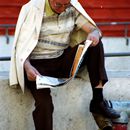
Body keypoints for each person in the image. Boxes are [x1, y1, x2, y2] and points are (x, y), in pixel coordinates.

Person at [9, 0, 120, 129]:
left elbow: (92, 28)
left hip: (60, 59)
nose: (62, 8)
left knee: (95, 45)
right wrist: (27, 67)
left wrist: (94, 33)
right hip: (36, 66)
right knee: (45, 104)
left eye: (65, 5)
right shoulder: (33, 9)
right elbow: (22, 46)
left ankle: (97, 101)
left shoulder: (71, 7)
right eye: (58, 5)